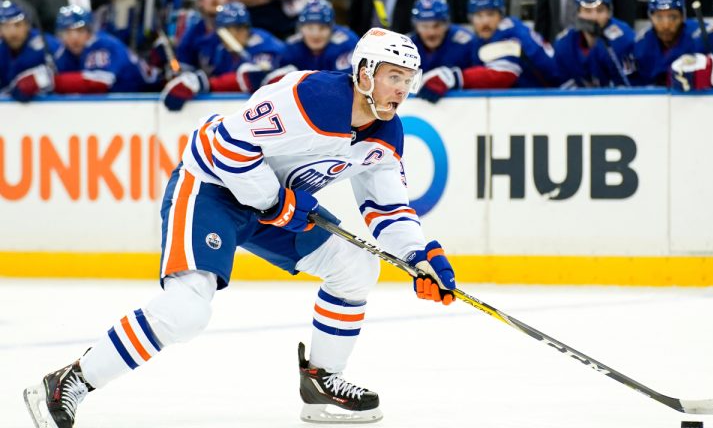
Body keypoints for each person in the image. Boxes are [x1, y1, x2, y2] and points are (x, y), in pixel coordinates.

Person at [23, 27, 458, 427]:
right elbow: (223, 145)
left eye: (408, 78)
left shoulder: (387, 134)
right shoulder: (311, 97)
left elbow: (387, 210)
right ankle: (69, 381)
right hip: (211, 187)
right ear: (364, 72)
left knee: (356, 267)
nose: (402, 88)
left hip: (272, 206)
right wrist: (275, 202)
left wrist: (420, 257)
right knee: (188, 311)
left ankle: (321, 381)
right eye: (393, 75)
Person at [417, 0, 559, 103]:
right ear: (471, 19)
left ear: (501, 15)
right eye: (479, 15)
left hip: (561, 93)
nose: (485, 21)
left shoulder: (510, 32)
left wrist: (455, 77)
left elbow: (502, 76)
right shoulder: (483, 39)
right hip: (543, 97)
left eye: (490, 14)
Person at [161, 1, 285, 110]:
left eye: (238, 28)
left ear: (247, 28)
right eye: (227, 30)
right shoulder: (216, 48)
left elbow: (253, 80)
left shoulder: (264, 43)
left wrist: (207, 83)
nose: (233, 35)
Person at [53, 5, 160, 93]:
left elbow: (98, 83)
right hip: (126, 102)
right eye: (67, 32)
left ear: (90, 31)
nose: (74, 38)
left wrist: (51, 81)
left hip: (149, 97)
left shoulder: (104, 45)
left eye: (80, 31)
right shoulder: (64, 53)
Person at [265, 0, 359, 83]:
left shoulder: (346, 43)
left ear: (332, 28)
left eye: (322, 28)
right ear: (300, 28)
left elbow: (345, 86)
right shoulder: (292, 47)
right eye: (310, 27)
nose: (315, 34)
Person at [553, 0, 636, 87]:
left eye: (600, 10)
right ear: (578, 13)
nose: (594, 17)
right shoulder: (564, 44)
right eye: (587, 11)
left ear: (609, 13)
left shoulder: (625, 39)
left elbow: (631, 88)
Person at [0, 0, 60, 102]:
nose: (13, 32)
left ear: (27, 25)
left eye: (18, 25)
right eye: (6, 26)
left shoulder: (48, 45)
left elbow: (61, 78)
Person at [633, 0, 699, 86]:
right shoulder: (641, 45)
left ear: (683, 17)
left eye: (672, 17)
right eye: (659, 17)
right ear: (650, 18)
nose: (666, 25)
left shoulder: (699, 38)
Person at [408, 0, 477, 73]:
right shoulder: (407, 46)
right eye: (425, 26)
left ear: (447, 24)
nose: (431, 32)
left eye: (437, 25)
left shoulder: (466, 42)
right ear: (416, 27)